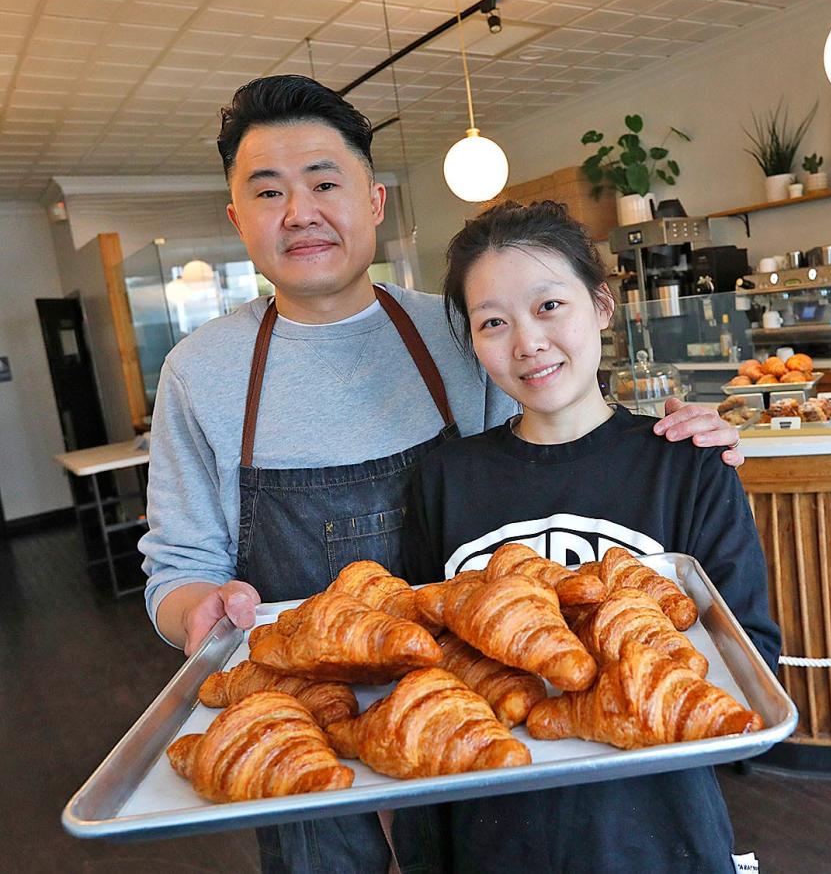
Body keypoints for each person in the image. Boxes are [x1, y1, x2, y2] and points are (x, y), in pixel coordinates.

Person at [138, 75, 744, 874]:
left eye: (325, 182)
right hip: (294, 727)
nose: (300, 212)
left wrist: (687, 441)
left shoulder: (462, 325)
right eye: (268, 191)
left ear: (376, 199)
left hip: (482, 721)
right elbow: (177, 570)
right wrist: (196, 611)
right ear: (236, 219)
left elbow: (552, 443)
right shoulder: (199, 372)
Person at [397, 200, 781, 873]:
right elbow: (417, 662)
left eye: (549, 306)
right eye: (493, 322)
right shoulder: (443, 476)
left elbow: (754, 665)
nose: (527, 342)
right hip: (488, 839)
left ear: (602, 305)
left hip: (655, 837)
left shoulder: (685, 463)